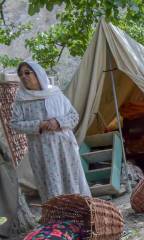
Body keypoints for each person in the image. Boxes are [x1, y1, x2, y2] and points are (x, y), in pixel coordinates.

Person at [10, 61, 91, 203]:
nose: (24, 76)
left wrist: (58, 122)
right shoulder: (21, 100)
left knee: (71, 178)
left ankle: (80, 211)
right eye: (21, 74)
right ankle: (58, 218)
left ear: (38, 73)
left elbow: (74, 116)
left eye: (27, 72)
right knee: (50, 183)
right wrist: (38, 125)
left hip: (64, 147)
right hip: (41, 150)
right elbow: (15, 125)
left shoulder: (55, 94)